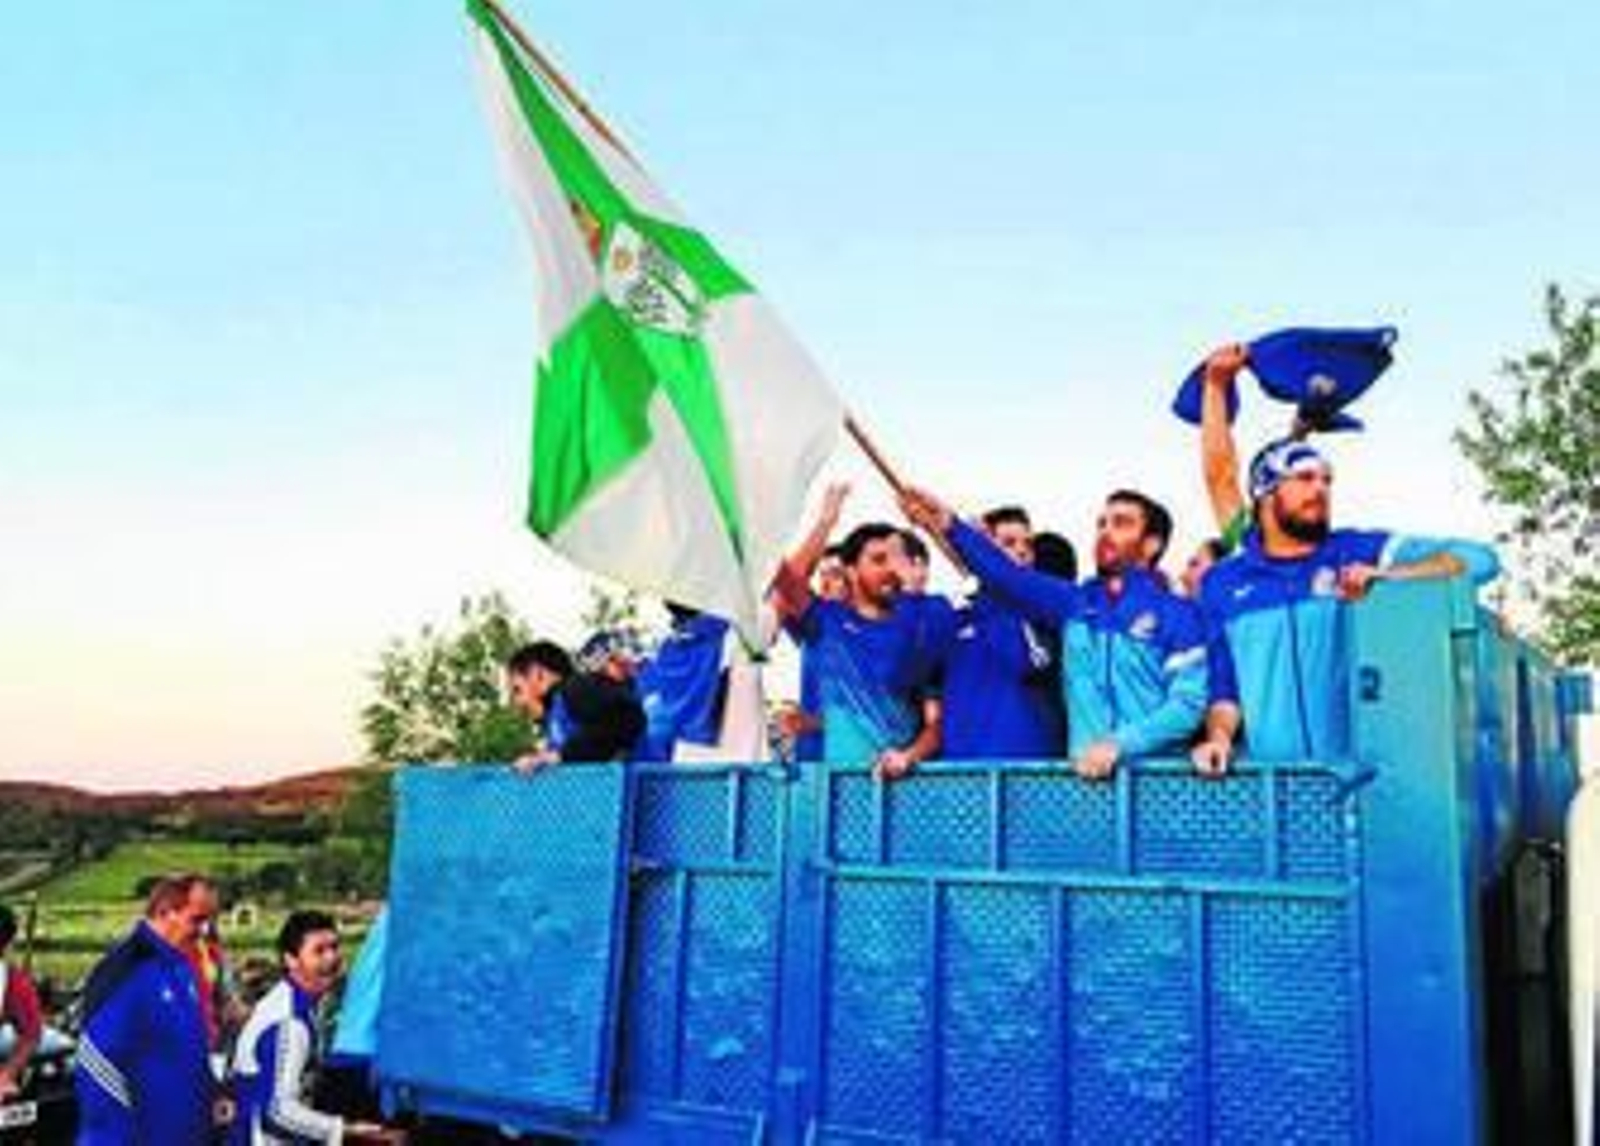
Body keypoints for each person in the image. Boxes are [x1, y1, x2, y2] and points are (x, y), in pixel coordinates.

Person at [1190, 437, 1501, 776]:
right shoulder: (1222, 581)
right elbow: (1225, 685)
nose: (1320, 489)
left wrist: (1387, 575)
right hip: (1272, 785)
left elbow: (1480, 560)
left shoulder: (1355, 550)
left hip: (1359, 784)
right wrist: (1219, 738)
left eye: (1327, 480)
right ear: (1265, 491)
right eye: (1306, 479)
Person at [902, 485, 1207, 780]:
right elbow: (1006, 576)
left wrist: (1119, 744)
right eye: (1101, 523)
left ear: (1152, 543)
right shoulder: (1074, 603)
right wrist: (949, 524)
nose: (1105, 532)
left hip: (1158, 786)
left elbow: (1189, 704)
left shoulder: (1179, 614)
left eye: (1121, 523)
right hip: (1087, 789)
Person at [773, 520, 953, 780]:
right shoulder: (827, 621)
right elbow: (783, 578)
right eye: (879, 560)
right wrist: (826, 521)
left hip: (905, 790)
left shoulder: (922, 625)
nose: (891, 570)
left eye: (897, 561)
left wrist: (908, 756)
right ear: (851, 570)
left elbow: (937, 722)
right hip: (838, 789)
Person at [76, 874, 218, 1145]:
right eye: (197, 919)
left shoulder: (182, 966)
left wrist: (214, 1091)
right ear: (166, 911)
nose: (205, 930)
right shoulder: (122, 969)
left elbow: (191, 1046)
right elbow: (96, 1064)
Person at [230, 911, 393, 1144]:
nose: (331, 958)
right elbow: (277, 1111)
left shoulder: (296, 1001)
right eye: (319, 951)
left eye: (335, 947)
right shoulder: (289, 1024)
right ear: (291, 960)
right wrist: (346, 1129)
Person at [938, 506, 1066, 759]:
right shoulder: (957, 615)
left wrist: (993, 590)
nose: (1021, 551)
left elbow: (1028, 662)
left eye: (1028, 545)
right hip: (960, 774)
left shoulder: (1043, 612)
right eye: (1009, 543)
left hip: (1025, 775)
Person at [506, 637, 646, 770]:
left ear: (539, 675)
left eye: (518, 690)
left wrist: (557, 757)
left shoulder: (576, 688)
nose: (517, 703)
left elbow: (626, 715)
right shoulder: (555, 715)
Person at [0, 902, 43, 1105]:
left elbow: (31, 1034)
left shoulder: (14, 984)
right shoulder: (15, 983)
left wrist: (6, 1075)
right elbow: (31, 1034)